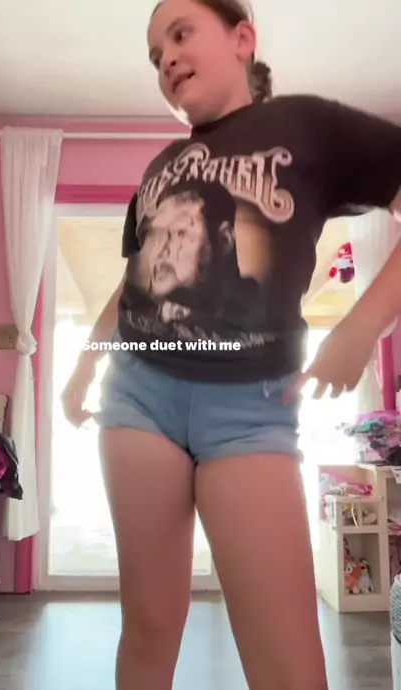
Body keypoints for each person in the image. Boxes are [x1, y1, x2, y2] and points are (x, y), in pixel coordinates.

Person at [62, 0, 401, 688]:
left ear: (243, 37)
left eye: (181, 33)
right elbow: (132, 284)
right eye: (155, 54)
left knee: (287, 663)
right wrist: (81, 368)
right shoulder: (161, 166)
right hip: (138, 398)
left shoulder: (307, 126)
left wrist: (362, 326)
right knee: (149, 626)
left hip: (250, 411)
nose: (166, 58)